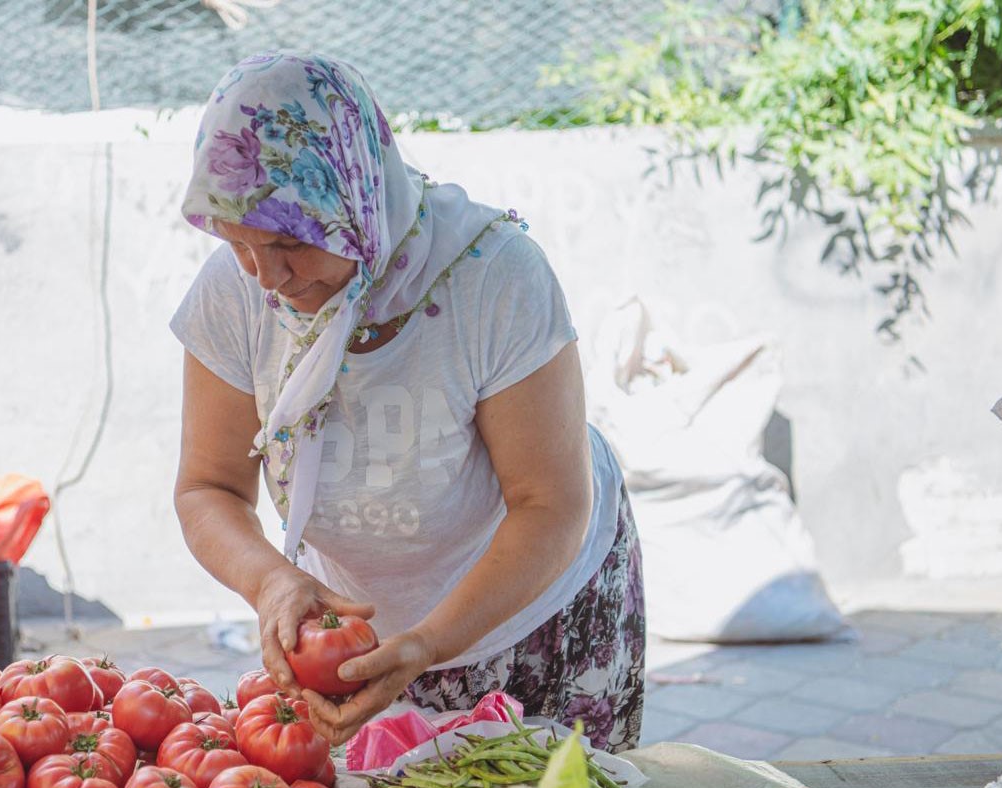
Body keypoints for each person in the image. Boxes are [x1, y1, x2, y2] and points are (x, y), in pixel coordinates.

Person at [170, 50, 645, 751]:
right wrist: (271, 583)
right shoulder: (233, 295)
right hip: (372, 641)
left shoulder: (494, 278)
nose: (266, 276)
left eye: (286, 241)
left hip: (539, 614)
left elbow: (551, 507)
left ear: (357, 202)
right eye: (238, 242)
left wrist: (428, 642)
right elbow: (207, 488)